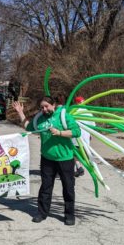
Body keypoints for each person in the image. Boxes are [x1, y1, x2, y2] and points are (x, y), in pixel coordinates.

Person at [13, 96, 81, 226]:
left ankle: (69, 215)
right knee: (45, 187)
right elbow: (29, 128)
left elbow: (77, 131)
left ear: (53, 105)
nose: (44, 109)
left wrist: (60, 133)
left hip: (65, 159)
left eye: (47, 106)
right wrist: (20, 112)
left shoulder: (63, 116)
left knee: (68, 188)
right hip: (47, 159)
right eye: (42, 107)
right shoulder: (40, 118)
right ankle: (42, 213)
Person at [71, 96, 95, 177]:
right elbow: (93, 125)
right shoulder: (89, 112)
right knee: (82, 153)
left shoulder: (73, 111)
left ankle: (79, 168)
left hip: (76, 137)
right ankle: (80, 168)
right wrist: (91, 134)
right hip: (86, 137)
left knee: (75, 153)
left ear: (76, 102)